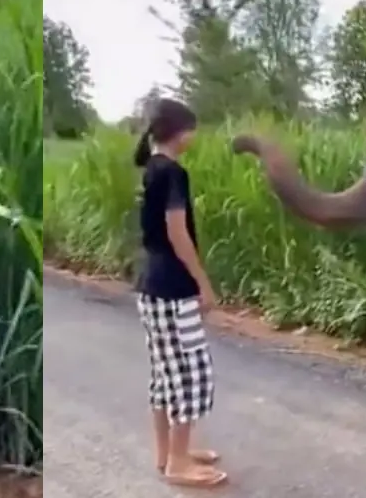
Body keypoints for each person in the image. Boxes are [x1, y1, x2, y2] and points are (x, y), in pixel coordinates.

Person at [133, 97, 226, 488]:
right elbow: (177, 233)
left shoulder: (151, 169)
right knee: (190, 372)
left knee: (165, 373)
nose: (195, 136)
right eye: (192, 129)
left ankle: (169, 452)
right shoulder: (173, 173)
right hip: (172, 288)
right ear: (181, 131)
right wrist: (204, 283)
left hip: (151, 285)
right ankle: (178, 463)